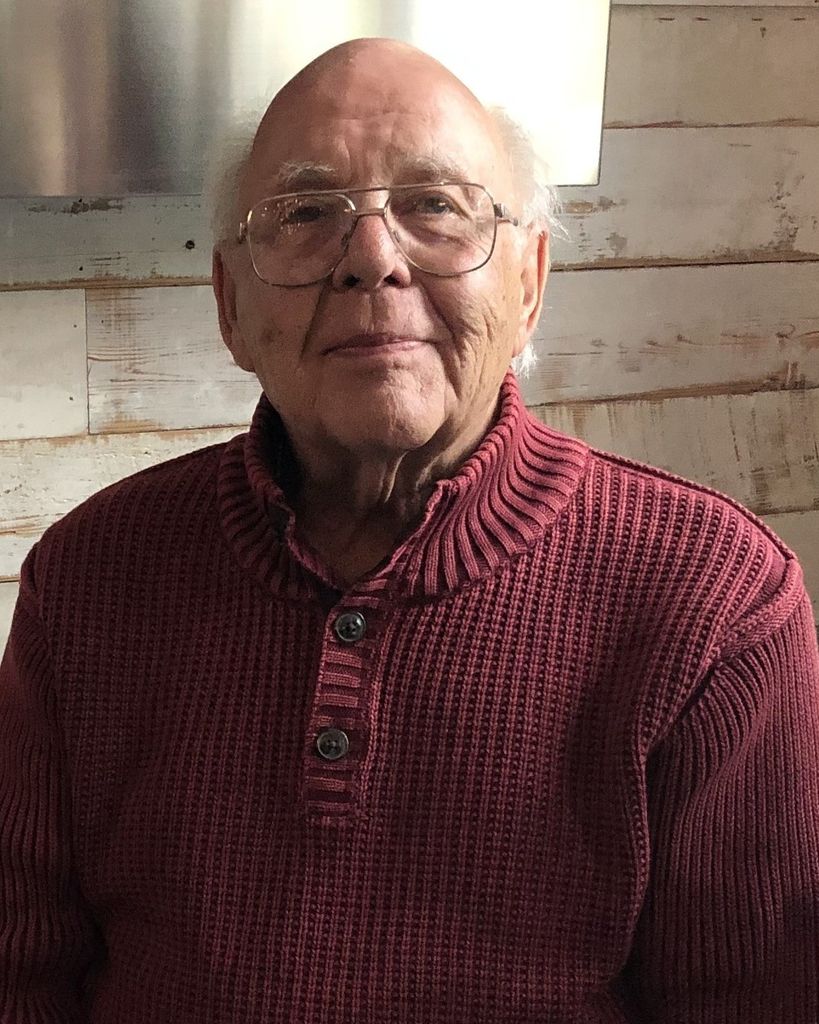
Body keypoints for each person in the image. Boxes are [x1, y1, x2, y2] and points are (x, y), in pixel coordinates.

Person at [1, 37, 817, 1024]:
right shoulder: (87, 578)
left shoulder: (718, 600)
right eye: (306, 215)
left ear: (529, 283)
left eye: (434, 206)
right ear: (229, 304)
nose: (373, 260)